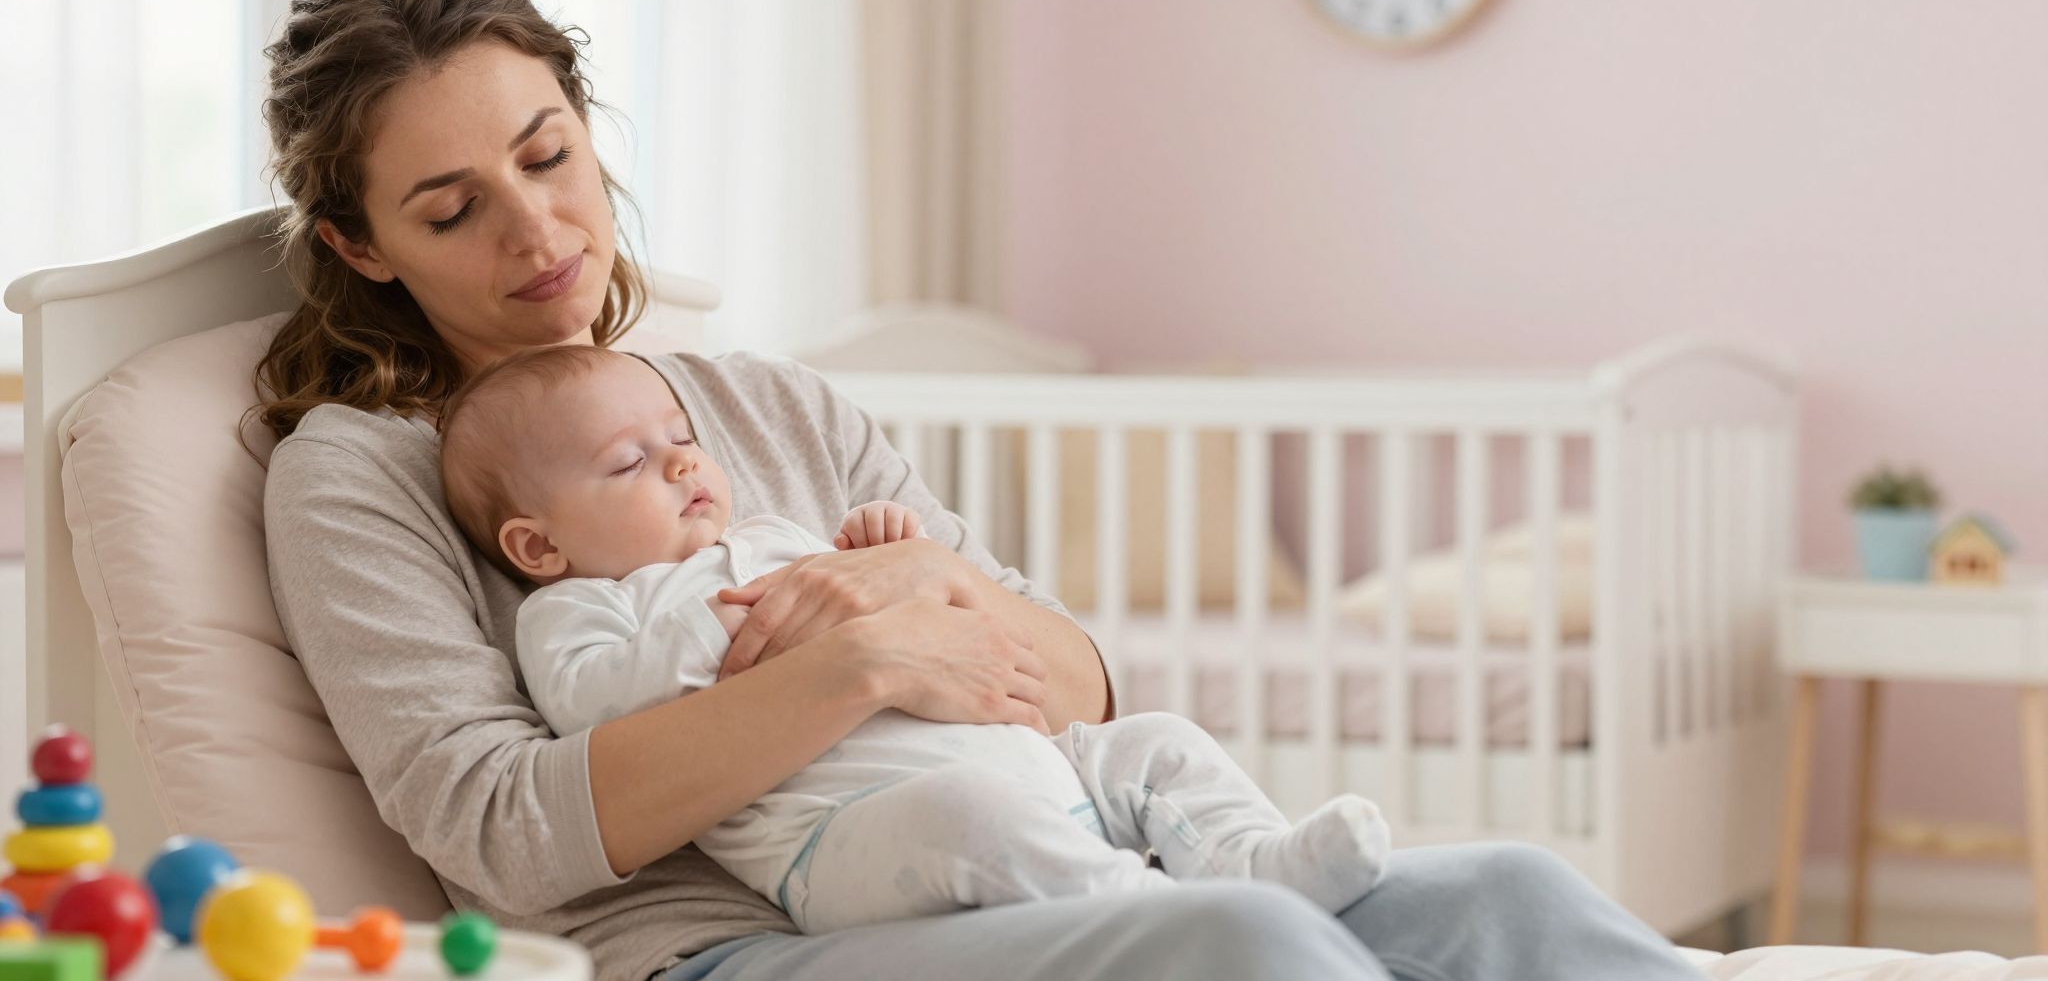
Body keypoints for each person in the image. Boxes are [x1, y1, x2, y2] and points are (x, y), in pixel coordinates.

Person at [257, 0, 1706, 981]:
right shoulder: (364, 479)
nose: (538, 231)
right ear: (362, 247)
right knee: (1240, 940)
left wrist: (936, 588)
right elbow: (501, 831)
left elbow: (1079, 683)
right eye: (453, 211)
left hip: (1042, 858)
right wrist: (865, 664)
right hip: (727, 945)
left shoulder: (777, 405)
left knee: (1513, 893)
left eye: (550, 154)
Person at [436, 344, 1392, 934]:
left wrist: (886, 558)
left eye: (681, 435)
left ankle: (1254, 862)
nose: (684, 459)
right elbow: (598, 704)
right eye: (630, 462)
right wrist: (749, 626)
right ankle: (1167, 920)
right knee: (972, 819)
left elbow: (910, 614)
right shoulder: (579, 611)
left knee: (1156, 743)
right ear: (540, 544)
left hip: (1031, 766)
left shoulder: (766, 540)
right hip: (848, 843)